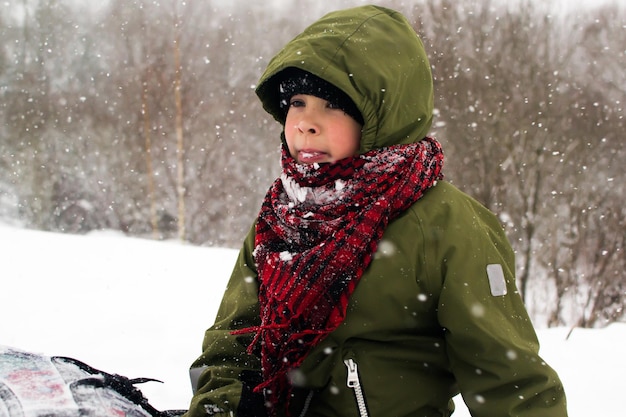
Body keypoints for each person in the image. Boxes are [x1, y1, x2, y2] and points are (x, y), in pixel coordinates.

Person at [184, 5, 567, 417]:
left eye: (333, 104)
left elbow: (509, 381)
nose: (306, 123)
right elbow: (231, 347)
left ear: (382, 118)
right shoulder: (281, 215)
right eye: (297, 102)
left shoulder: (447, 225)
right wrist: (223, 408)